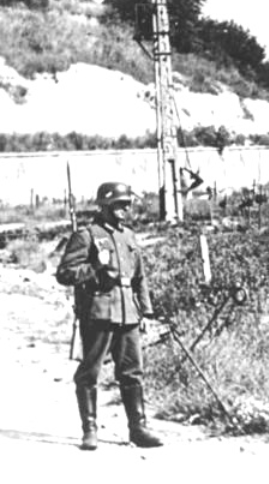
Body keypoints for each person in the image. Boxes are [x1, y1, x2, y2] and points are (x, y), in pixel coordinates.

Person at [56, 182, 163, 450]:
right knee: (89, 373)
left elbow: (140, 278)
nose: (126, 208)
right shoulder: (86, 236)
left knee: (132, 372)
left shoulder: (129, 236)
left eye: (128, 203)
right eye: (119, 204)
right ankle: (89, 430)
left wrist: (146, 311)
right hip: (99, 313)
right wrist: (94, 266)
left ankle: (138, 428)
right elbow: (65, 274)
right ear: (104, 206)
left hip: (128, 313)